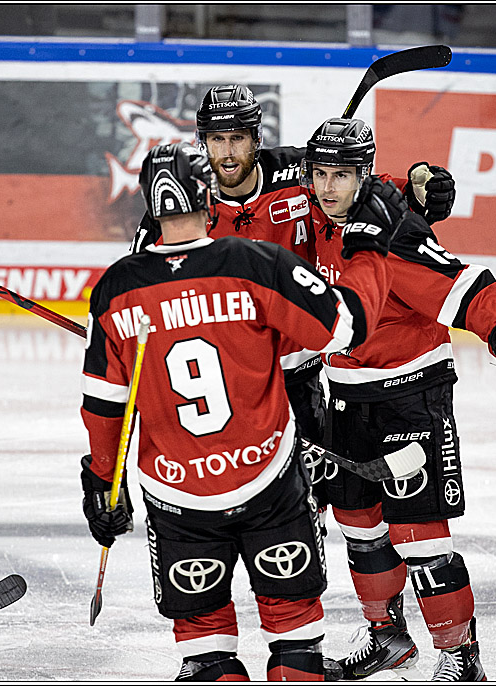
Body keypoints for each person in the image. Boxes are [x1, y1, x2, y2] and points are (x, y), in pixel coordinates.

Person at [81, 142, 408, 681]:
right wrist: (369, 253)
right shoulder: (255, 264)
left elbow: (105, 405)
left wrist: (101, 484)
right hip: (266, 482)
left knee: (207, 654)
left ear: (149, 208)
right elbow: (345, 327)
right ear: (209, 197)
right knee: (296, 643)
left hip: (175, 492)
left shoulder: (117, 288)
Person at [299, 118, 496, 682]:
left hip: (412, 394)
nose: (329, 188)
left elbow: (461, 284)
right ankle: (388, 637)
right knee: (359, 525)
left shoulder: (393, 231)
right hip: (344, 392)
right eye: (321, 174)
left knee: (419, 534)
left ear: (363, 176)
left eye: (342, 175)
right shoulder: (306, 221)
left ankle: (460, 654)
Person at [129, 84, 457, 508]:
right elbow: (139, 288)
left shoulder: (296, 172)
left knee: (302, 505)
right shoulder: (182, 199)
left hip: (298, 377)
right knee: (234, 496)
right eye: (216, 140)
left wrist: (411, 192)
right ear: (201, 142)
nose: (227, 153)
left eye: (238, 139)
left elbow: (354, 187)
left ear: (257, 138)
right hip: (226, 381)